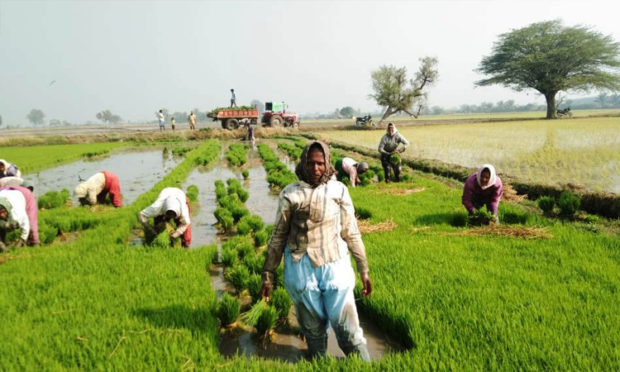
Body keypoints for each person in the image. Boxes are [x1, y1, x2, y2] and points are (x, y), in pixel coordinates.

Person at [261, 141, 372, 361]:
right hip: (301, 269)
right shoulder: (290, 194)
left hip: (335, 265)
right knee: (312, 329)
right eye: (310, 163)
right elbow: (278, 237)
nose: (315, 168)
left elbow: (351, 232)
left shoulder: (338, 190)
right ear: (303, 163)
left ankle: (363, 364)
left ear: (328, 163)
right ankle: (320, 362)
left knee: (347, 327)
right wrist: (267, 275)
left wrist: (364, 269)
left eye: (320, 163)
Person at [0, 186, 40, 251]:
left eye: (3, 212)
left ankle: (35, 244)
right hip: (4, 191)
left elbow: (25, 224)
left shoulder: (17, 213)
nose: (2, 215)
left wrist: (22, 240)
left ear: (7, 209)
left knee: (32, 224)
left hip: (24, 195)